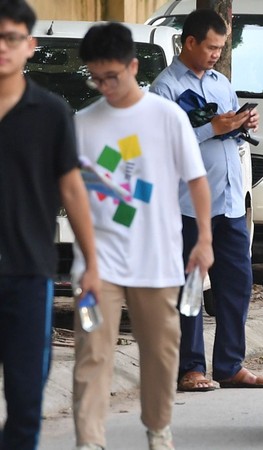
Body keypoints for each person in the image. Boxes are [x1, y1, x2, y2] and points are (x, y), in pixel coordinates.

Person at [69, 23, 214, 450]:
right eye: (96, 78)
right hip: (96, 267)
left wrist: (204, 239)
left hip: (157, 263)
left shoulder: (167, 117)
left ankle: (157, 429)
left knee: (161, 354)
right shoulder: (81, 124)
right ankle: (89, 442)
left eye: (112, 76)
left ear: (134, 66)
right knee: (91, 353)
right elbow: (72, 189)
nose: (105, 86)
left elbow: (197, 181)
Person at [150, 9, 263, 391]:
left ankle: (230, 365)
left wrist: (241, 124)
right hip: (187, 206)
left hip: (231, 202)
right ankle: (191, 368)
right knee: (189, 287)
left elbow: (230, 133)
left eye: (221, 48)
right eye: (211, 47)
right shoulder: (164, 88)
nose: (217, 54)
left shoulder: (222, 84)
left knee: (237, 284)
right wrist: (209, 128)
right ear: (190, 42)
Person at [0, 1, 99, 448]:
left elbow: (73, 190)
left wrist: (91, 261)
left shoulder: (50, 112)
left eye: (11, 38)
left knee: (25, 400)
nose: (2, 47)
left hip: (28, 271)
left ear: (30, 46)